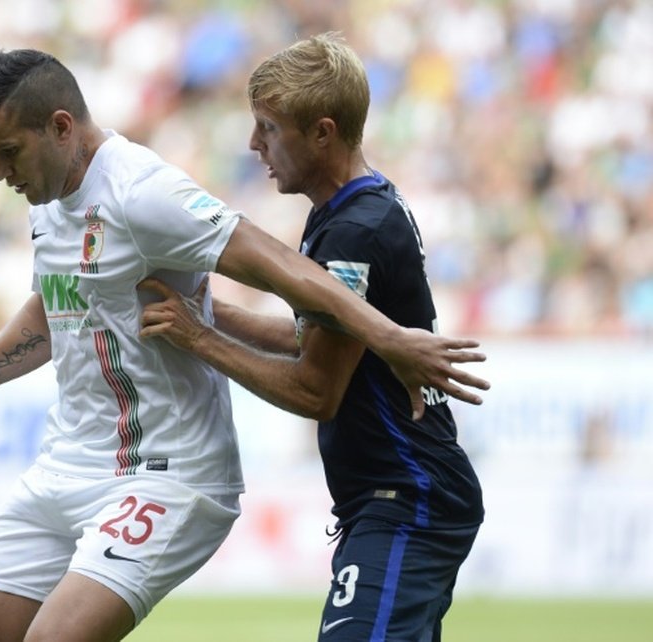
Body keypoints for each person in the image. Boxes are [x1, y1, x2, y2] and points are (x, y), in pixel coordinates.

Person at [0, 47, 488, 642]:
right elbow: (54, 311)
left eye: (8, 152)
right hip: (66, 463)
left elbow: (279, 279)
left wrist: (387, 337)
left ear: (61, 128)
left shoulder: (144, 193)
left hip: (166, 473)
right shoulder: (50, 202)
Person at [139, 33, 484, 641]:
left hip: (407, 498)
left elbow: (316, 391)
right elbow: (319, 339)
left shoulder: (357, 229)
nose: (254, 144)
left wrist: (201, 340)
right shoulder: (355, 207)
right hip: (395, 497)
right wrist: (211, 314)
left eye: (268, 128)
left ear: (322, 132)